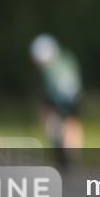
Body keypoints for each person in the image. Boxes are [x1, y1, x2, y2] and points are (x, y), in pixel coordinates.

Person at [29, 33, 83, 167]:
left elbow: (49, 89)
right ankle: (71, 156)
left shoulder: (49, 68)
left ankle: (61, 151)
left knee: (51, 121)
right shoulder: (67, 59)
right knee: (72, 124)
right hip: (75, 96)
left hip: (57, 98)